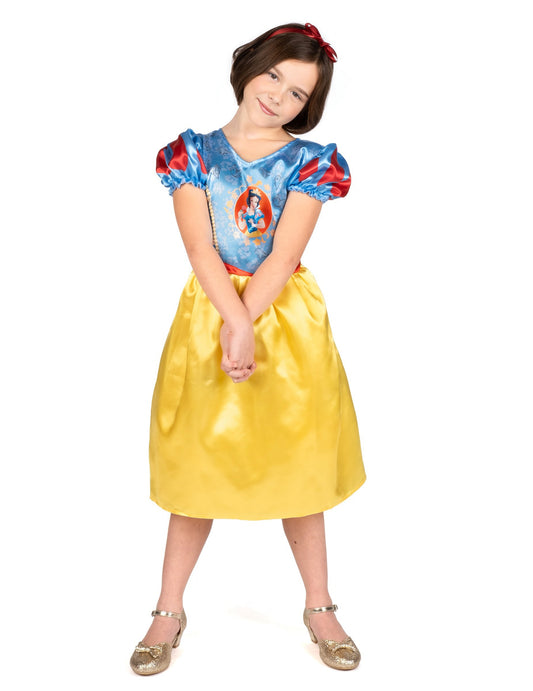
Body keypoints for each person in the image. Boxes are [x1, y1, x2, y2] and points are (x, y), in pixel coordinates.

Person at [130, 22, 366, 676]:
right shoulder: (192, 154)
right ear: (250, 67)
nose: (277, 96)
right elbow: (200, 246)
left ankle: (319, 605)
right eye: (273, 76)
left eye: (297, 94)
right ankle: (168, 609)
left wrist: (248, 321)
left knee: (298, 460)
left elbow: (284, 253)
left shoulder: (309, 162)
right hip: (210, 312)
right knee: (195, 462)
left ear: (308, 106)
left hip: (285, 320)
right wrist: (231, 322)